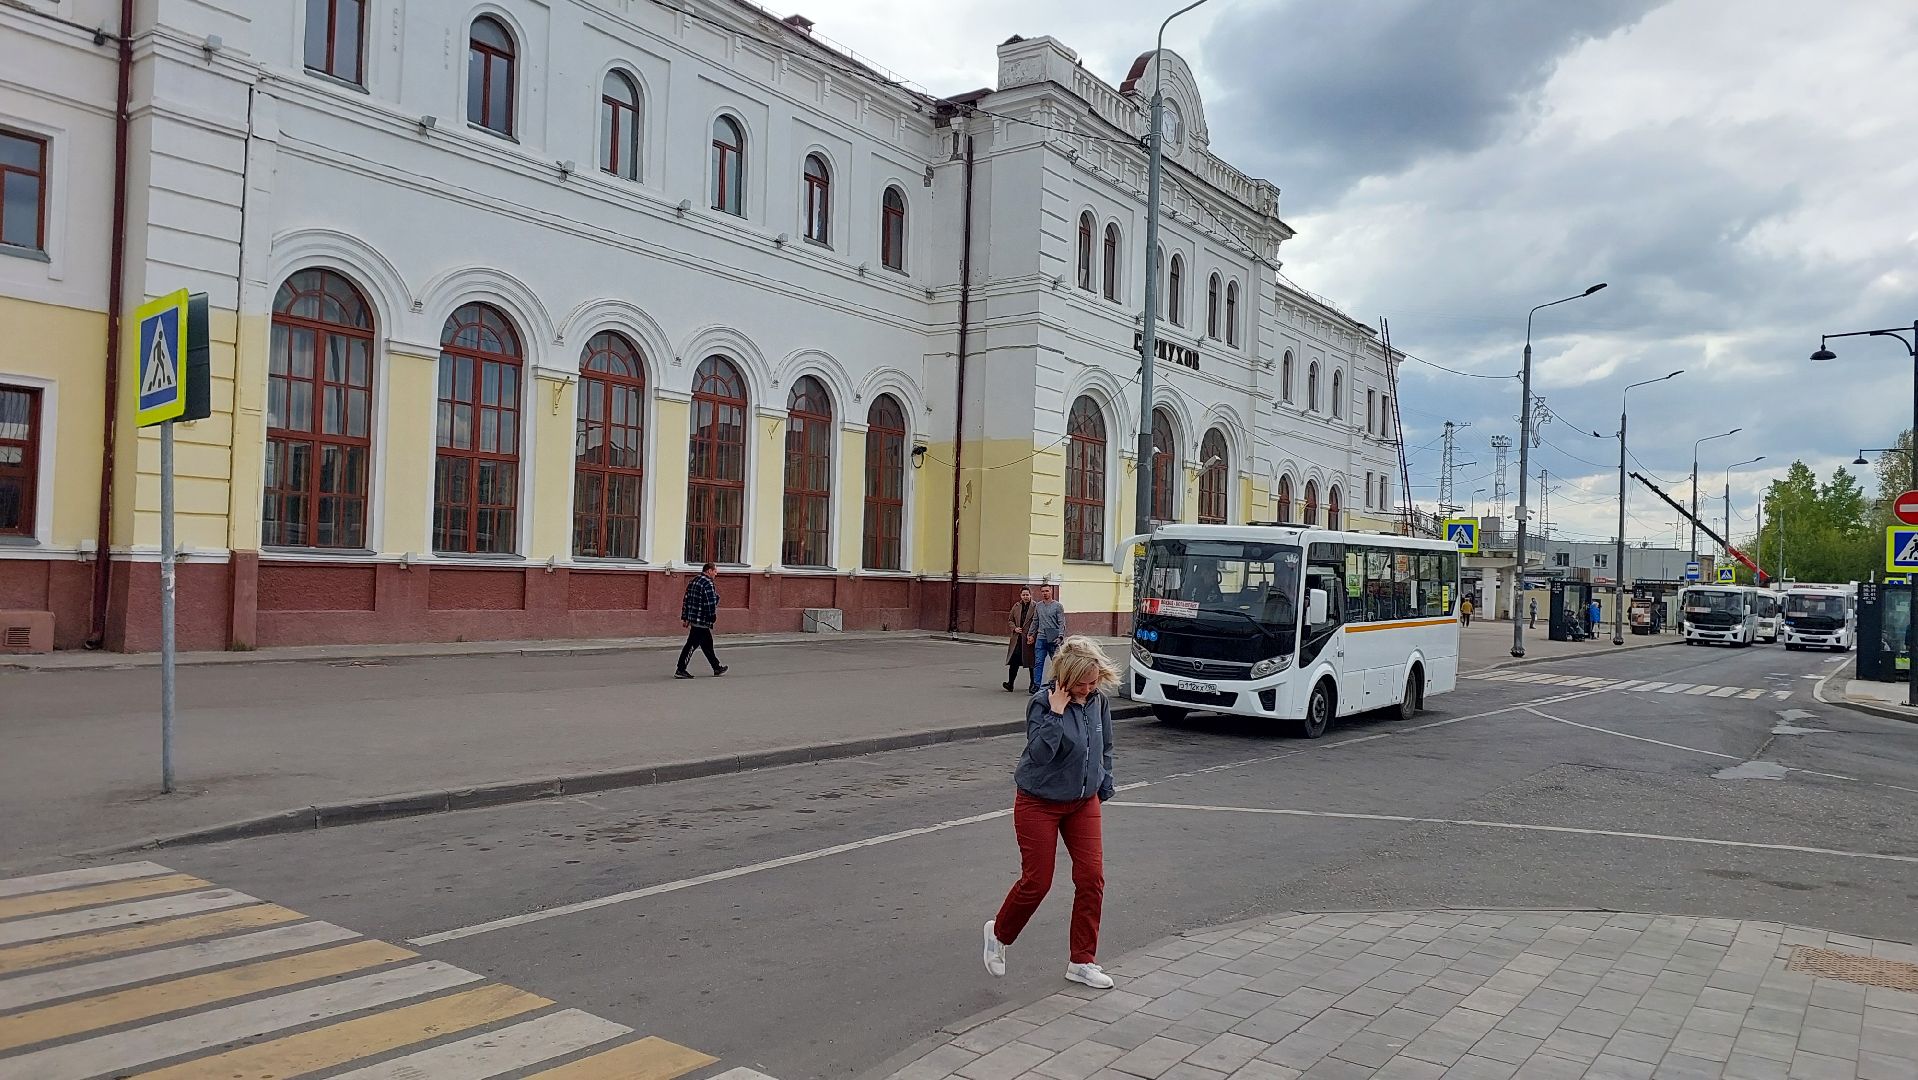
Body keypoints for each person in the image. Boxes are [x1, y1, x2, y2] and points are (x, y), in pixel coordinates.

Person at [983, 635, 1119, 990]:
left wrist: (1103, 783)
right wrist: (1057, 713)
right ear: (1066, 677)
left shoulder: (1098, 703)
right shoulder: (1042, 704)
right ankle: (998, 934)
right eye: (1082, 683)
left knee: (1091, 879)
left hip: (1082, 801)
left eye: (1094, 681)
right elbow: (1041, 755)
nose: (1089, 689)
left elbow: (1104, 747)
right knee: (1038, 881)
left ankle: (1082, 961)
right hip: (1038, 801)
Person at [674, 562, 728, 679]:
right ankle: (681, 669)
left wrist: (686, 618)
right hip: (702, 620)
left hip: (694, 618)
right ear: (709, 571)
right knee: (691, 645)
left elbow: (686, 600)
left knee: (707, 644)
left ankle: (716, 667)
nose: (716, 574)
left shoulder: (693, 581)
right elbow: (710, 603)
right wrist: (712, 615)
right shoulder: (708, 583)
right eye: (715, 571)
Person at [1027, 583, 1066, 693]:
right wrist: (1030, 634)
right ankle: (1036, 685)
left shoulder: (1058, 606)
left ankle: (1055, 683)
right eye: (1043, 591)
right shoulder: (1038, 606)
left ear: (1051, 591)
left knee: (1056, 663)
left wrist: (1060, 636)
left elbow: (1061, 622)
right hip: (1041, 638)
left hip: (1054, 638)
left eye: (1047, 591)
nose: (1045, 593)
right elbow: (1035, 621)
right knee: (1038, 662)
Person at [1004, 586, 1036, 692]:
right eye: (1023, 595)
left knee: (1031, 662)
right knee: (1014, 661)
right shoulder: (1016, 606)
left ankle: (1033, 684)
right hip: (1017, 639)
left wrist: (1033, 635)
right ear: (1020, 596)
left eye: (1027, 594)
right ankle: (1010, 683)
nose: (1025, 597)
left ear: (1030, 595)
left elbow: (1038, 622)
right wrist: (1014, 628)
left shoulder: (1035, 606)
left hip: (1029, 638)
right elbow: (1010, 620)